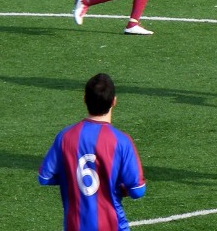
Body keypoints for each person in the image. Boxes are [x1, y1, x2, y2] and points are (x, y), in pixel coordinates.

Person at [38, 73, 146, 230]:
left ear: (84, 99)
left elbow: (44, 177)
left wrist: (71, 176)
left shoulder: (65, 136)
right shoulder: (121, 141)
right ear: (114, 101)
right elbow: (137, 190)